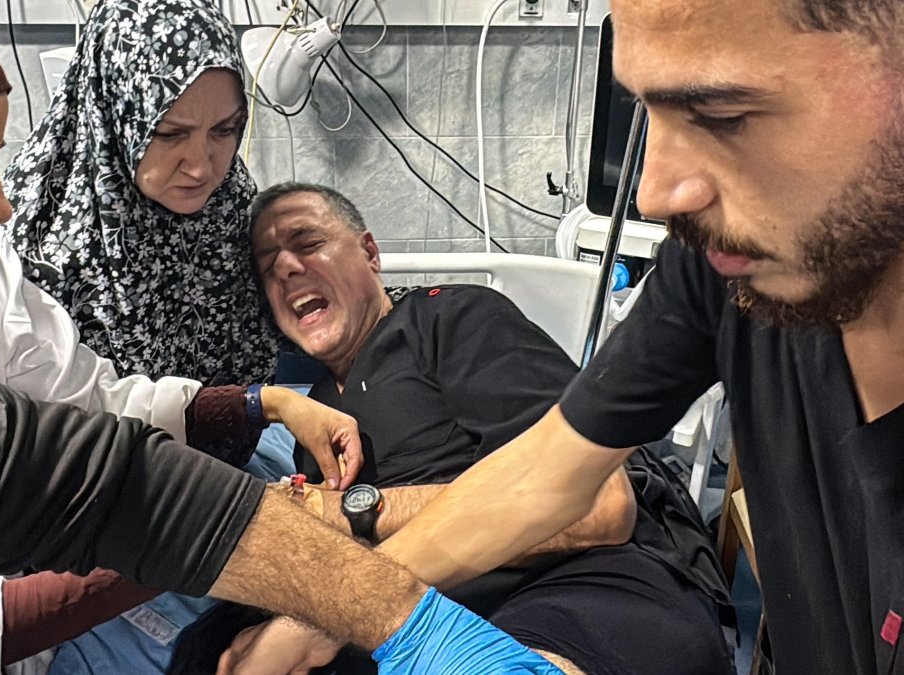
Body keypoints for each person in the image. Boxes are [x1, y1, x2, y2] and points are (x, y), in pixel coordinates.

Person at [0, 1, 574, 673]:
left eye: (227, 132)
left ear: (373, 251)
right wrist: (308, 542)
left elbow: (85, 433)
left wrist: (264, 410)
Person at [0, 0, 361, 670]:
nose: (0, 206)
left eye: (226, 130)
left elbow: (89, 402)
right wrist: (219, 530)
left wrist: (262, 403)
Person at [334, 0, 904, 672]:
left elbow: (605, 510)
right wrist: (338, 602)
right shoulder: (726, 269)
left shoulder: (446, 317)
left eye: (723, 115)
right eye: (643, 111)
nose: (652, 195)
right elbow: (551, 473)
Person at [214, 183, 733, 674]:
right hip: (395, 622)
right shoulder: (315, 419)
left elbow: (600, 507)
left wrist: (340, 522)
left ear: (370, 254)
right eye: (267, 269)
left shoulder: (451, 316)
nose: (285, 267)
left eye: (308, 242)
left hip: (567, 584)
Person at [2, 0, 281, 389]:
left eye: (225, 130)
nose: (201, 168)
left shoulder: (230, 202)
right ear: (111, 116)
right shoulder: (35, 252)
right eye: (168, 134)